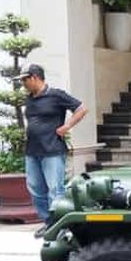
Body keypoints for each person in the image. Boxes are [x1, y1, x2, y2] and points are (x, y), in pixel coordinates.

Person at [18, 63, 88, 232]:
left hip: (52, 150)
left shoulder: (56, 95)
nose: (23, 83)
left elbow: (81, 108)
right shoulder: (30, 98)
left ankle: (60, 226)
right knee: (35, 189)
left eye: (25, 79)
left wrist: (67, 126)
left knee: (55, 190)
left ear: (35, 77)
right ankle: (48, 223)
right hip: (32, 151)